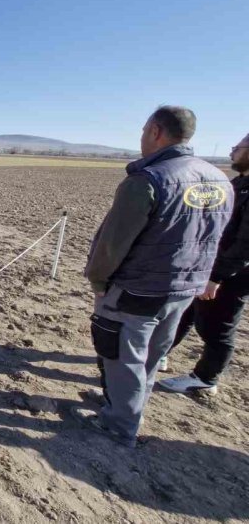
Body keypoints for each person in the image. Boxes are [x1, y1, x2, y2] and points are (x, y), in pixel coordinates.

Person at [78, 106, 233, 448]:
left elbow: (112, 243)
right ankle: (126, 406)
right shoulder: (220, 179)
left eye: (144, 130)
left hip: (137, 288)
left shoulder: (147, 180)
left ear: (156, 132)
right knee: (151, 354)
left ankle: (119, 424)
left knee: (122, 354)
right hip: (184, 288)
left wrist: (99, 281)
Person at [159, 132, 249, 395]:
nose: (232, 152)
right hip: (209, 265)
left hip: (232, 274)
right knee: (185, 312)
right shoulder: (239, 183)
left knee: (217, 326)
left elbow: (245, 245)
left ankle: (205, 379)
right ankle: (159, 354)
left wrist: (217, 277)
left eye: (238, 147)